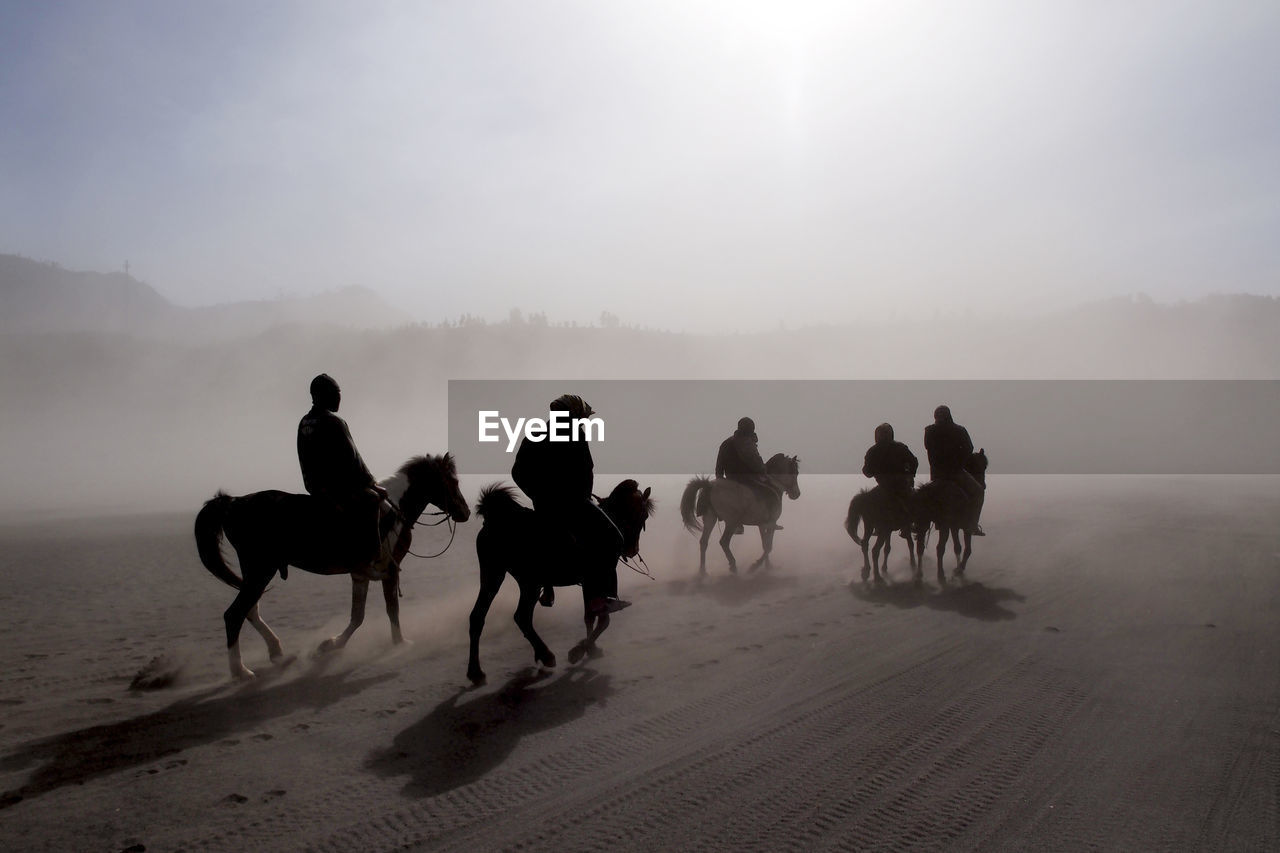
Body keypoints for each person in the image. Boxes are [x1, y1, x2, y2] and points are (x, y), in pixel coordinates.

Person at [511, 394, 629, 616]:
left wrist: (539, 496)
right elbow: (586, 472)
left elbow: (517, 472)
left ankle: (547, 588)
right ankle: (603, 598)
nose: (583, 421)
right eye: (582, 417)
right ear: (574, 416)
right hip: (574, 507)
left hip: (544, 507)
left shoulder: (535, 434)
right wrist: (580, 498)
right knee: (613, 539)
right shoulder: (576, 434)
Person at [297, 373, 389, 567]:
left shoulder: (305, 422)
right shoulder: (334, 422)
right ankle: (373, 554)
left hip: (314, 487)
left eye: (338, 394)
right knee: (372, 499)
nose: (338, 398)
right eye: (334, 394)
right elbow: (354, 460)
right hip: (336, 489)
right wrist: (373, 485)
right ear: (320, 396)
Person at [923, 405, 985, 535]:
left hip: (936, 475)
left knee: (921, 496)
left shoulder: (929, 431)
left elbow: (928, 448)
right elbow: (969, 448)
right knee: (979, 492)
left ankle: (918, 524)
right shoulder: (960, 430)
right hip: (956, 473)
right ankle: (972, 524)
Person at [715, 416, 782, 533]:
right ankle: (771, 521)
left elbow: (719, 466)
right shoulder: (747, 442)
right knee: (771, 492)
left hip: (730, 479)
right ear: (751, 429)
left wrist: (720, 481)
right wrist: (764, 471)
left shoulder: (725, 443)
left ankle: (731, 520)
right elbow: (755, 461)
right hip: (748, 479)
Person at [861, 423, 918, 535]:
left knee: (871, 504)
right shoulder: (901, 447)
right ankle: (911, 524)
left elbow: (867, 472)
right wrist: (910, 474)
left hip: (883, 486)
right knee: (915, 501)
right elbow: (913, 462)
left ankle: (877, 526)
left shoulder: (872, 451)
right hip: (900, 486)